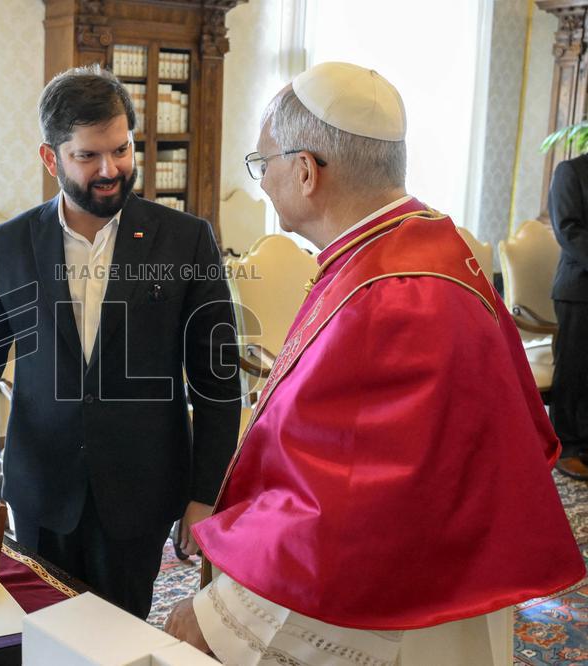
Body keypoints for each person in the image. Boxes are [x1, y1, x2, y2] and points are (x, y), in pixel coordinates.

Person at [165, 62, 584, 664]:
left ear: (306, 172)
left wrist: (216, 611)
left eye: (264, 164)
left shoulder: (392, 294)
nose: (261, 182)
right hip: (447, 569)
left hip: (390, 605)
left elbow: (344, 502)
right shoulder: (430, 248)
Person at [0, 65, 241, 619]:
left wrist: (204, 495)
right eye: (88, 156)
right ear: (51, 158)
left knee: (122, 638)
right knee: (47, 632)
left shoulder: (185, 239)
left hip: (142, 485)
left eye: (121, 150)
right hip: (41, 485)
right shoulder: (12, 242)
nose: (110, 170)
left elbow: (216, 379)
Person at [547, 154, 588, 480]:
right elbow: (568, 230)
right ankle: (567, 447)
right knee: (574, 372)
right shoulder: (570, 171)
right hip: (578, 290)